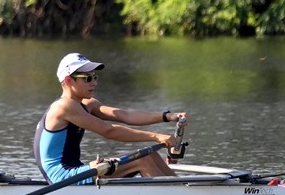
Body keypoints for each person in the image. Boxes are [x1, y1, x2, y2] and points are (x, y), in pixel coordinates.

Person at [34, 52, 186, 183]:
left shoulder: (87, 104)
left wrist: (167, 116)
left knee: (150, 153)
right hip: (62, 177)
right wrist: (156, 136)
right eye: (87, 78)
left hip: (77, 169)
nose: (93, 83)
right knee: (142, 159)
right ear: (68, 81)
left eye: (95, 77)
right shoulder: (64, 107)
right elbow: (109, 131)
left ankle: (183, 192)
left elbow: (125, 115)